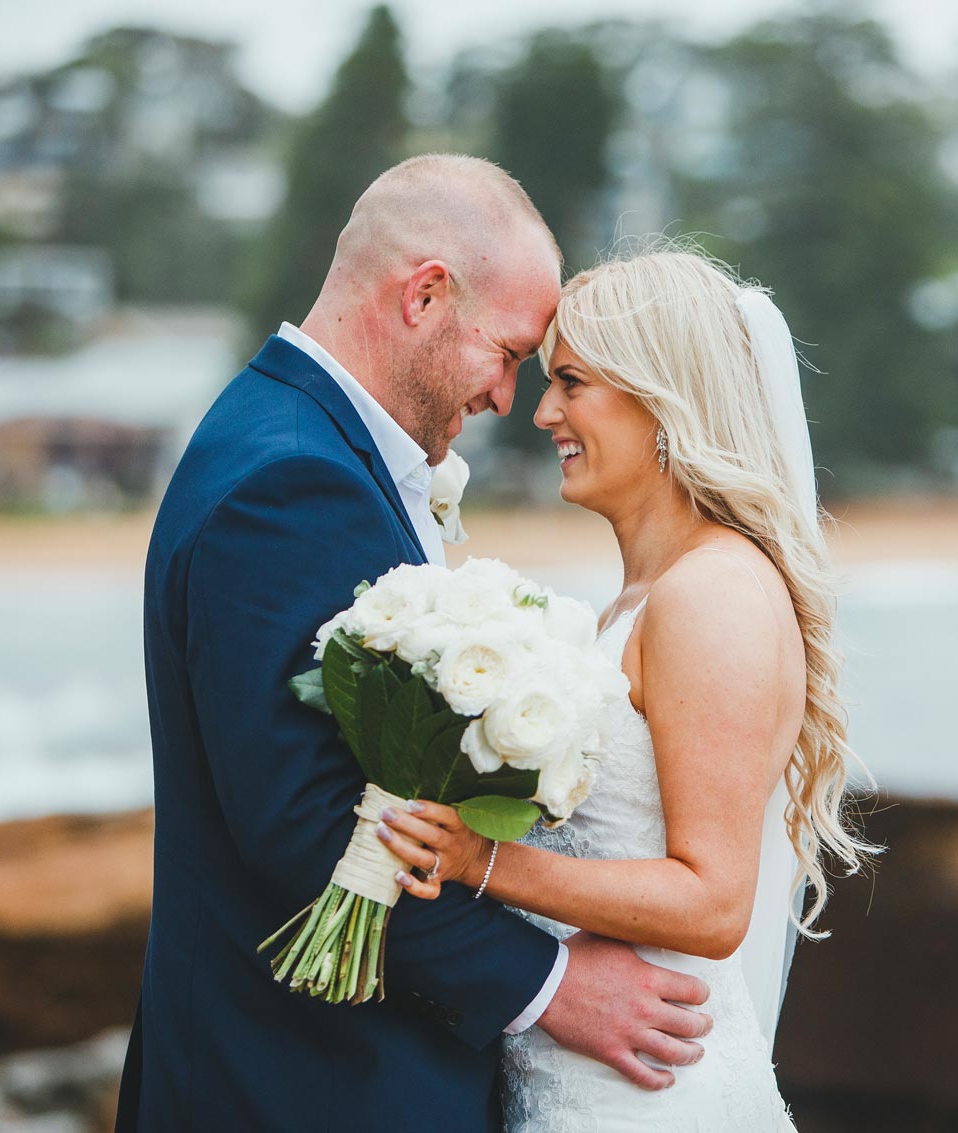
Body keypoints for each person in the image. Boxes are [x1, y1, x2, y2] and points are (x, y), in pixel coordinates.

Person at [115, 157, 713, 1132]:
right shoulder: (291, 482)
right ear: (424, 295)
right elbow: (309, 821)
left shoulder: (294, 439)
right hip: (300, 1084)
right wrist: (548, 984)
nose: (511, 398)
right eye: (508, 352)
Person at [374, 247, 874, 1130]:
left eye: (571, 383)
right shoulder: (644, 598)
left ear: (662, 399)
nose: (543, 412)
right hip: (595, 1078)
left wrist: (481, 860)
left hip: (655, 1090)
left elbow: (713, 900)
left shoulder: (710, 593)